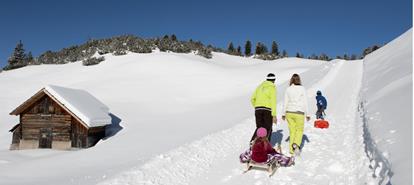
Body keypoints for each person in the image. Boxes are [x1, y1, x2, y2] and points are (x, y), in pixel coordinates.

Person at [282, 74, 310, 156]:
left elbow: (285, 102)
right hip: (299, 112)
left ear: (291, 80)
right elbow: (305, 102)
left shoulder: (288, 89)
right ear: (299, 80)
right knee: (299, 130)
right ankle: (296, 144)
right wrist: (307, 114)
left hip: (289, 112)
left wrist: (283, 113)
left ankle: (291, 150)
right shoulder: (302, 89)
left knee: (292, 131)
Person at [250, 73, 277, 143]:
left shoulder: (259, 87)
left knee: (260, 128)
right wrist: (274, 115)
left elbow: (252, 99)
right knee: (268, 128)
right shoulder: (272, 87)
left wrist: (257, 106)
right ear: (274, 80)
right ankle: (265, 145)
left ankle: (253, 141)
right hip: (267, 110)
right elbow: (273, 101)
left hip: (258, 109)